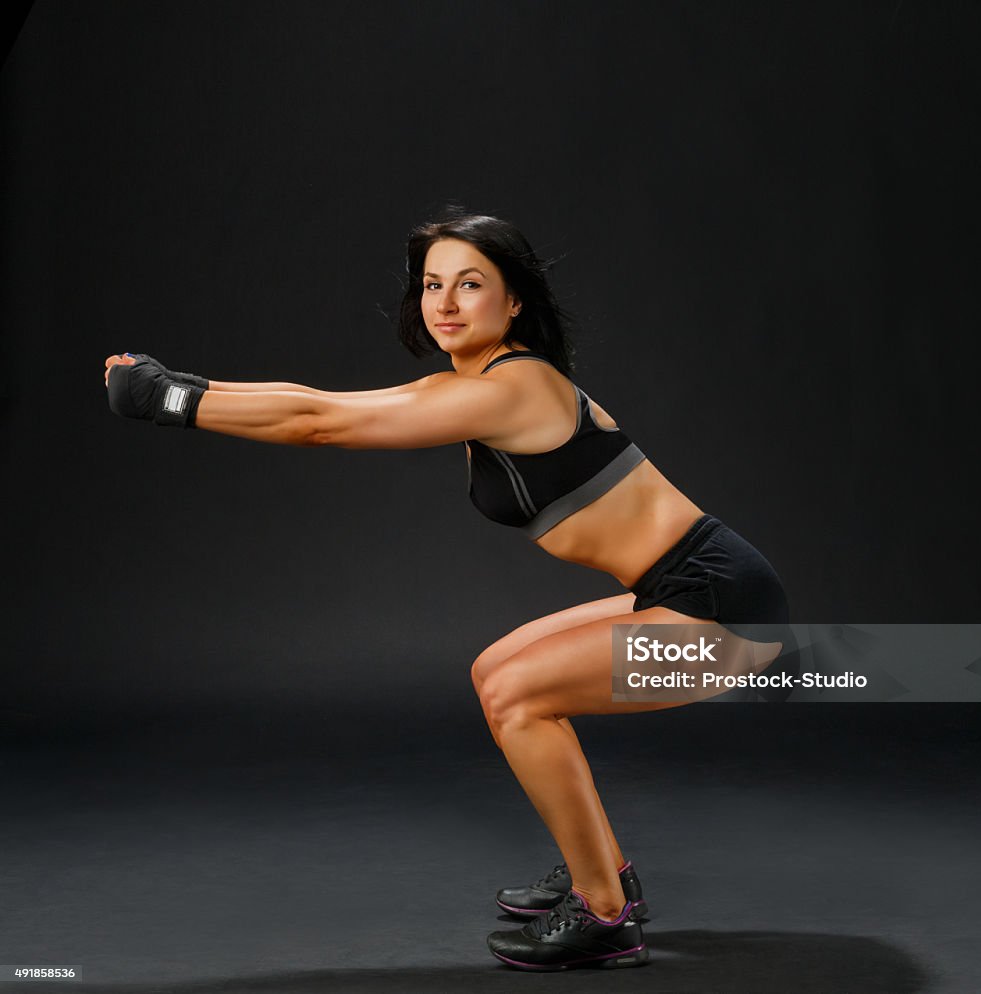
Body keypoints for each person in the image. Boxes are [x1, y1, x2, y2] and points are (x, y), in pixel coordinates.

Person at [102, 211, 791, 972]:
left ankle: (606, 913)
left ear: (515, 300)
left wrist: (167, 400)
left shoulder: (516, 387)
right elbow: (320, 405)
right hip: (687, 587)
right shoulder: (473, 384)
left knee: (521, 697)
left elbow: (318, 422)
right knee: (496, 670)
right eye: (433, 285)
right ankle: (604, 868)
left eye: (471, 284)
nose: (447, 303)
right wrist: (182, 382)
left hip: (726, 608)